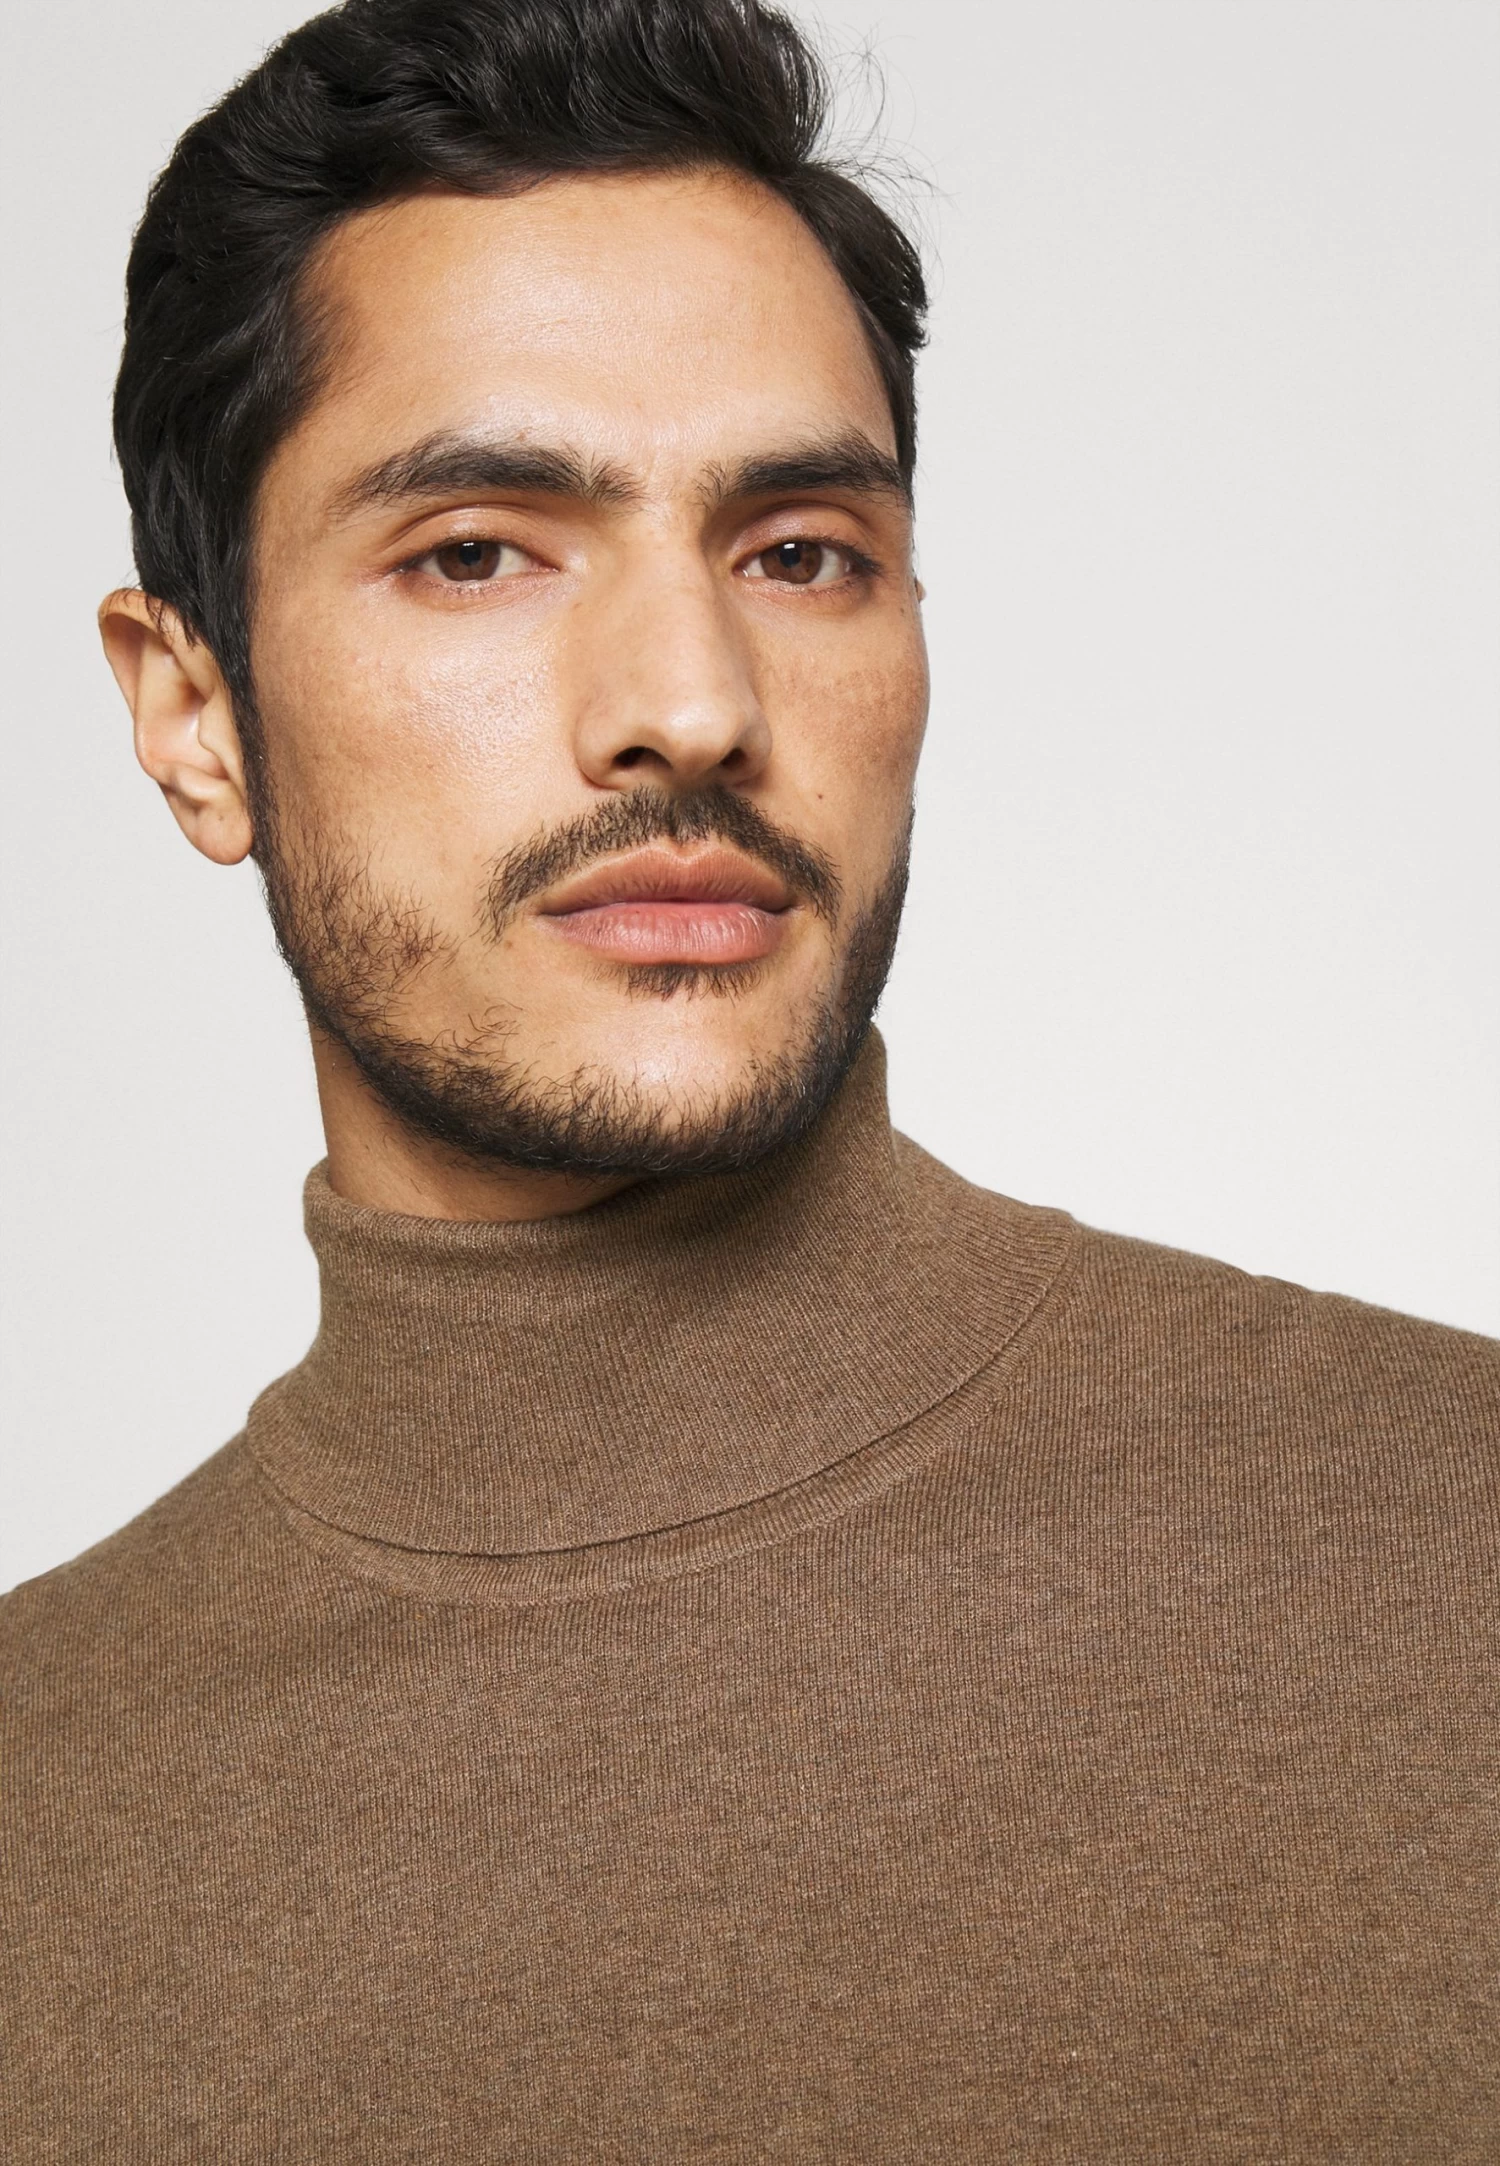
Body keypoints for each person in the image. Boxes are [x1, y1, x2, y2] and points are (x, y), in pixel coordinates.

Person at [3, 0, 1496, 2154]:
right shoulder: (41, 1817)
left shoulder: (1455, 1549)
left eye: (798, 552)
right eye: (477, 550)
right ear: (193, 716)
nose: (691, 703)